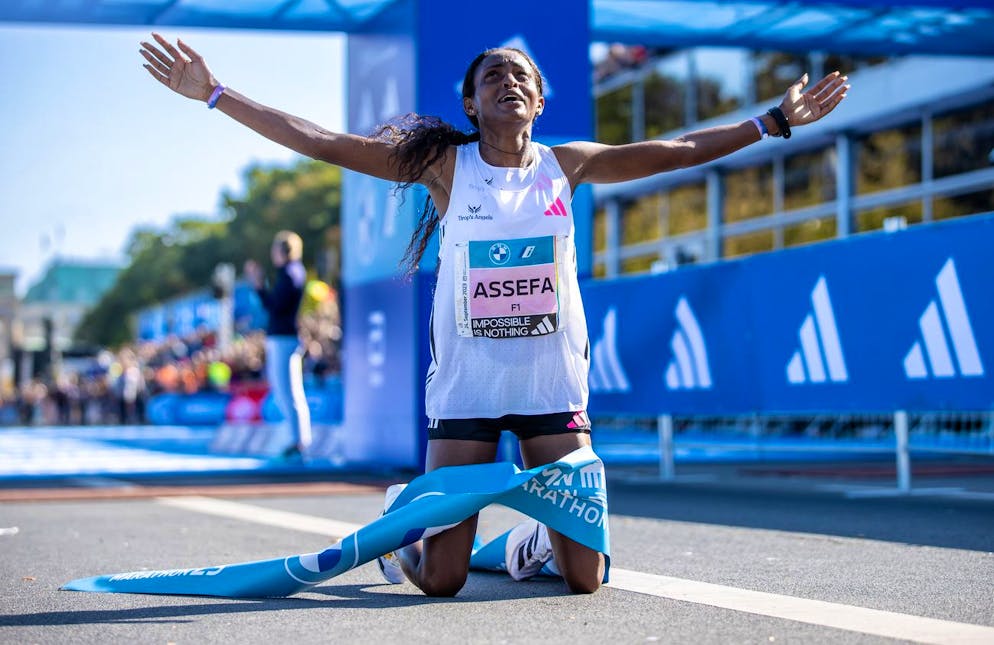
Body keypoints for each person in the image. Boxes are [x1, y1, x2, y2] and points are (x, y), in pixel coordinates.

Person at [139, 33, 848, 596]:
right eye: (491, 78)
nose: (508, 81)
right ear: (472, 105)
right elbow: (323, 141)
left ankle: (533, 540)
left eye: (520, 76)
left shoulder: (567, 165)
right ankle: (405, 516)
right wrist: (216, 94)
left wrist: (775, 120)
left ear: (538, 100)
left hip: (552, 390)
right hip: (468, 393)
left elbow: (677, 150)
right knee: (441, 580)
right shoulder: (446, 168)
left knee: (586, 579)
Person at [244, 231, 312, 459]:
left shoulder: (291, 274)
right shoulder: (290, 273)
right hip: (282, 337)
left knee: (288, 391)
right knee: (286, 391)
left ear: (284, 251)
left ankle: (298, 441)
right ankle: (298, 439)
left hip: (284, 338)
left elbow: (275, 306)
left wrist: (259, 285)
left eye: (275, 250)